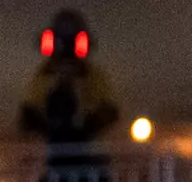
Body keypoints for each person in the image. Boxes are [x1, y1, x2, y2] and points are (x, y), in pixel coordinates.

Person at [18, 9, 119, 145]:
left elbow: (109, 110)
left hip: (86, 146)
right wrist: (44, 127)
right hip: (52, 145)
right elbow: (28, 112)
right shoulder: (45, 74)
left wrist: (90, 125)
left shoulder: (91, 74)